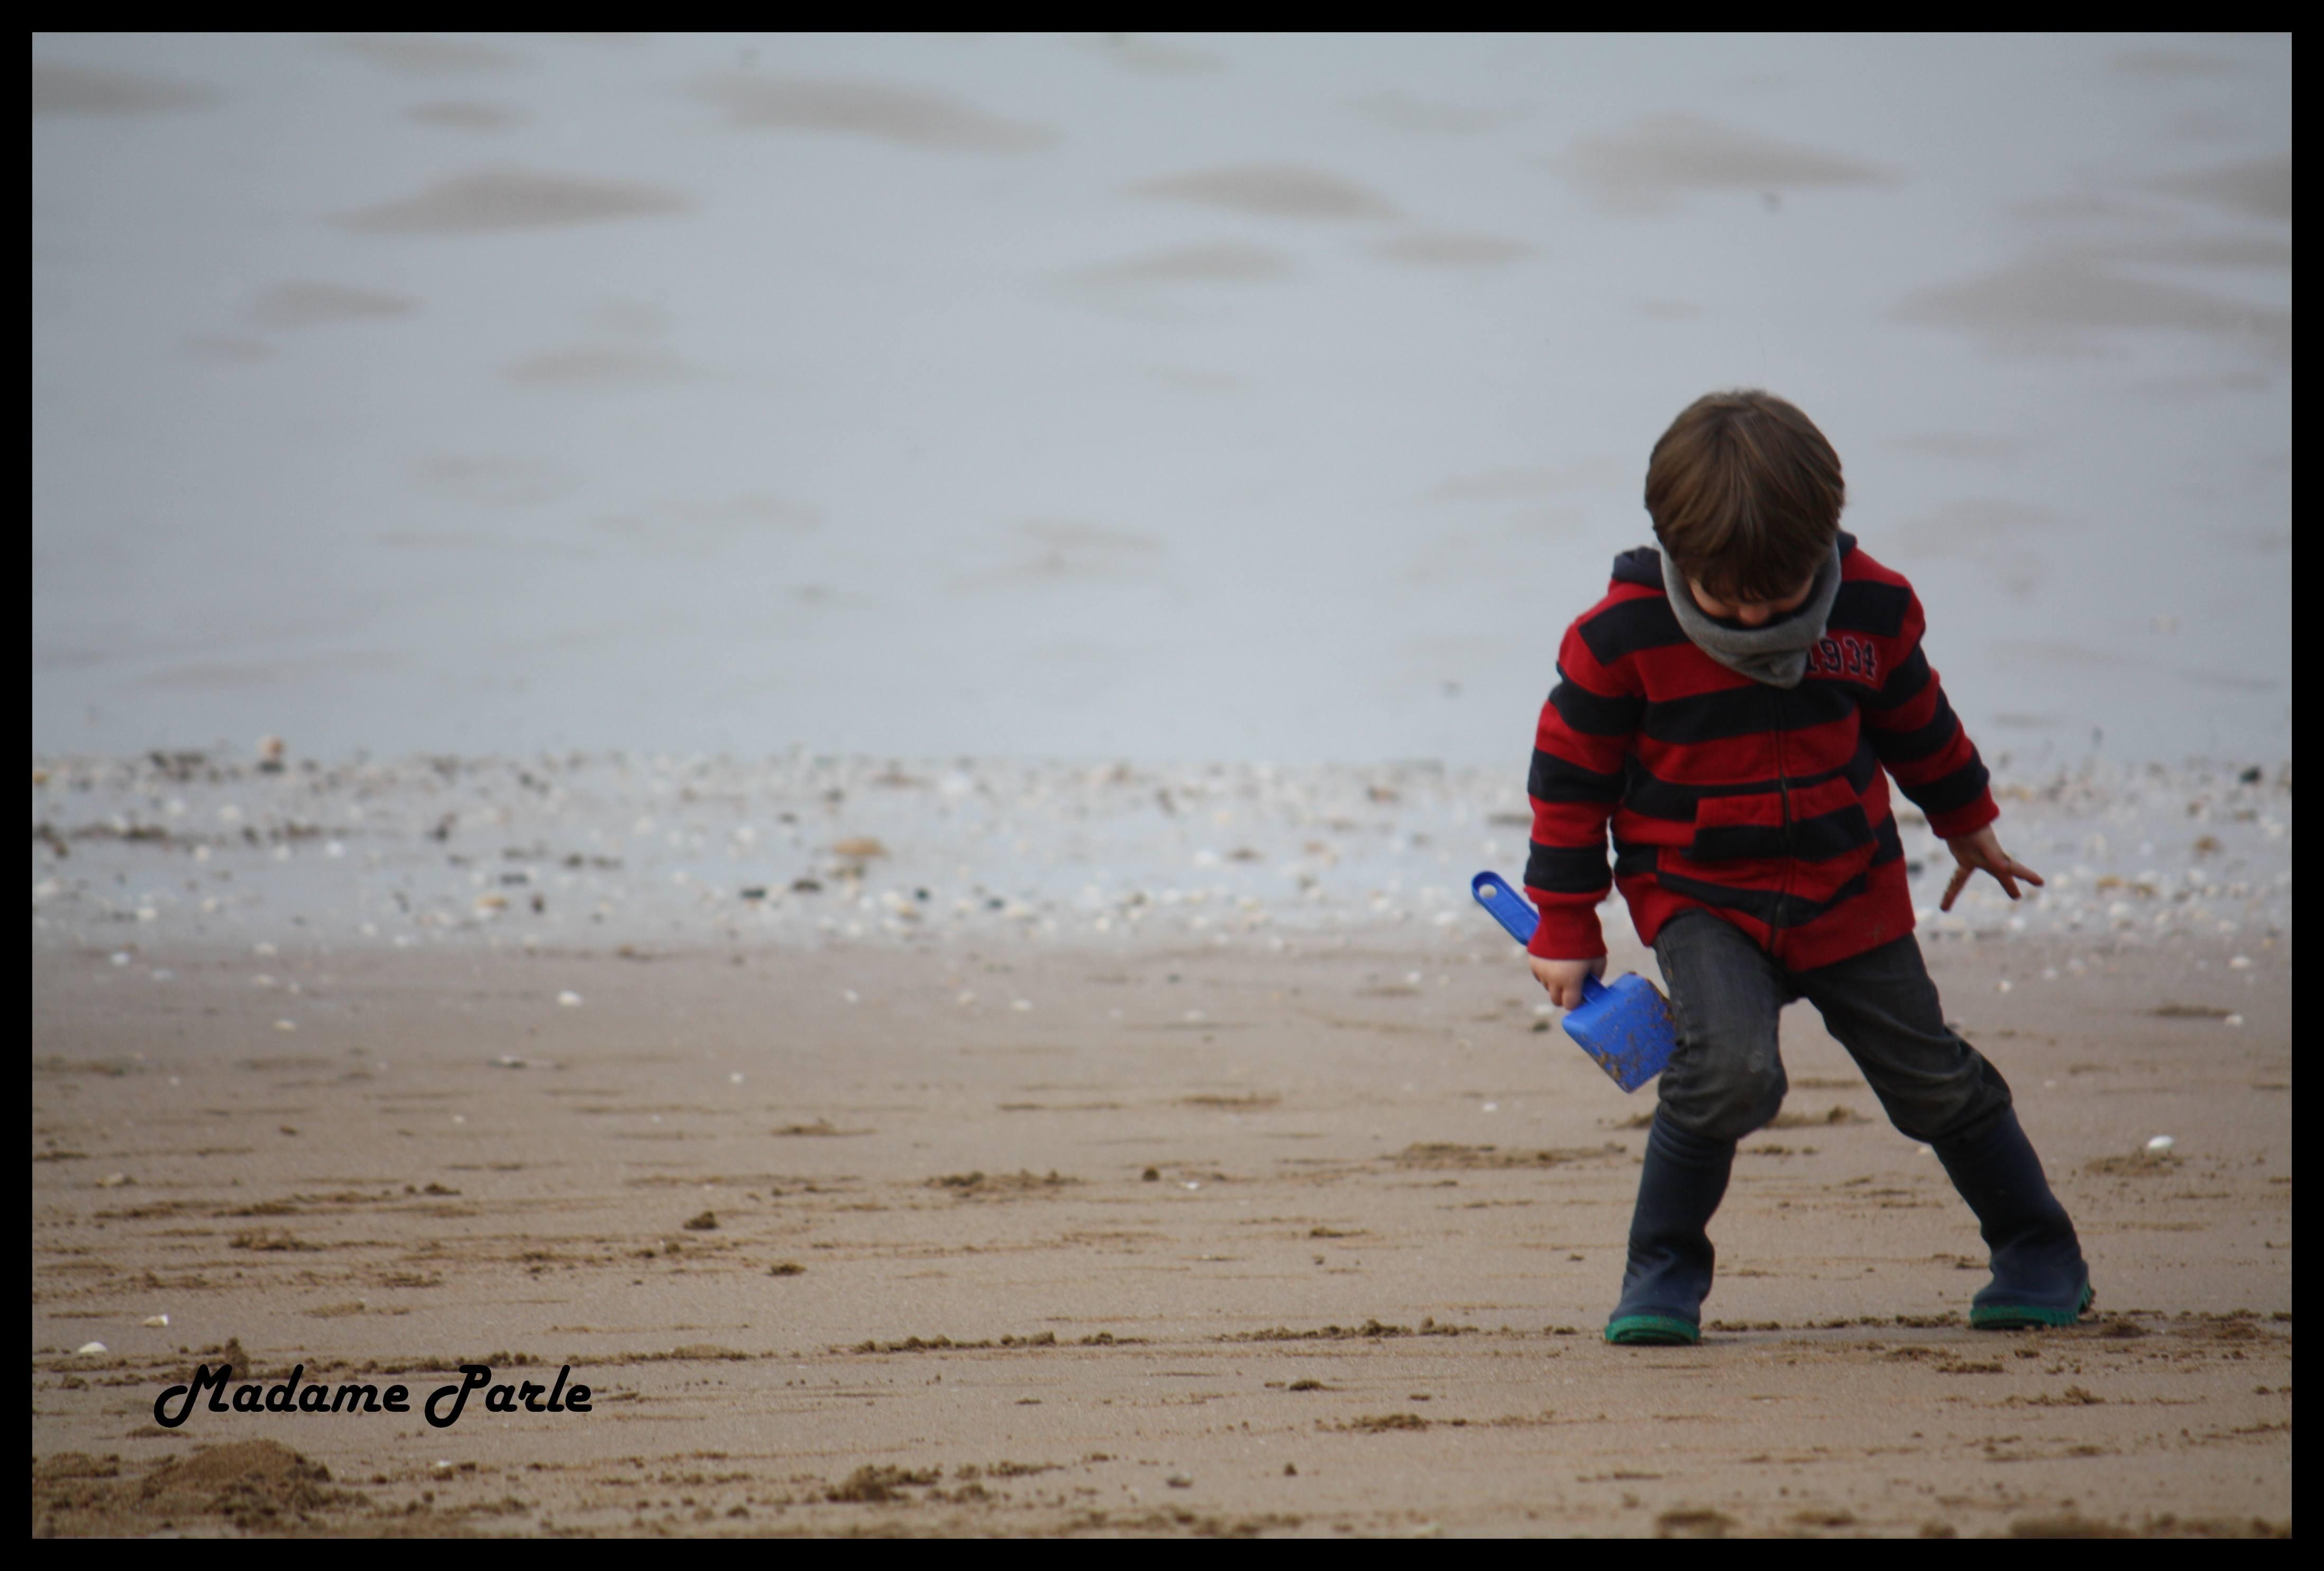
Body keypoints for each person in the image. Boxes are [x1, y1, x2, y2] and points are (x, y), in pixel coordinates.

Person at [1522, 389, 2089, 1346]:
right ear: (1672, 550)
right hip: (1698, 897)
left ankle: (2038, 1250)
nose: (1754, 615)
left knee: (1930, 1081)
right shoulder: (1619, 639)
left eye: (1780, 596)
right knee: (1729, 1074)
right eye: (1726, 598)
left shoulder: (1870, 608)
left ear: (1822, 541)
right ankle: (1661, 1271)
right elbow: (1567, 787)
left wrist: (1965, 820)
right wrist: (1566, 923)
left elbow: (1918, 720)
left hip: (1848, 888)